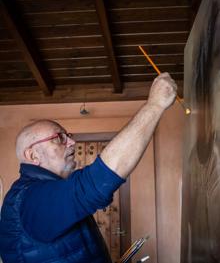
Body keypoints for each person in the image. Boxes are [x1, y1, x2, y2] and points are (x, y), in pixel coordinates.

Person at [0, 72, 177, 263]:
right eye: (59, 138)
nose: (71, 142)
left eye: (68, 135)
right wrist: (155, 105)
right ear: (32, 155)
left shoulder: (41, 192)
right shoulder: (30, 198)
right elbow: (97, 182)